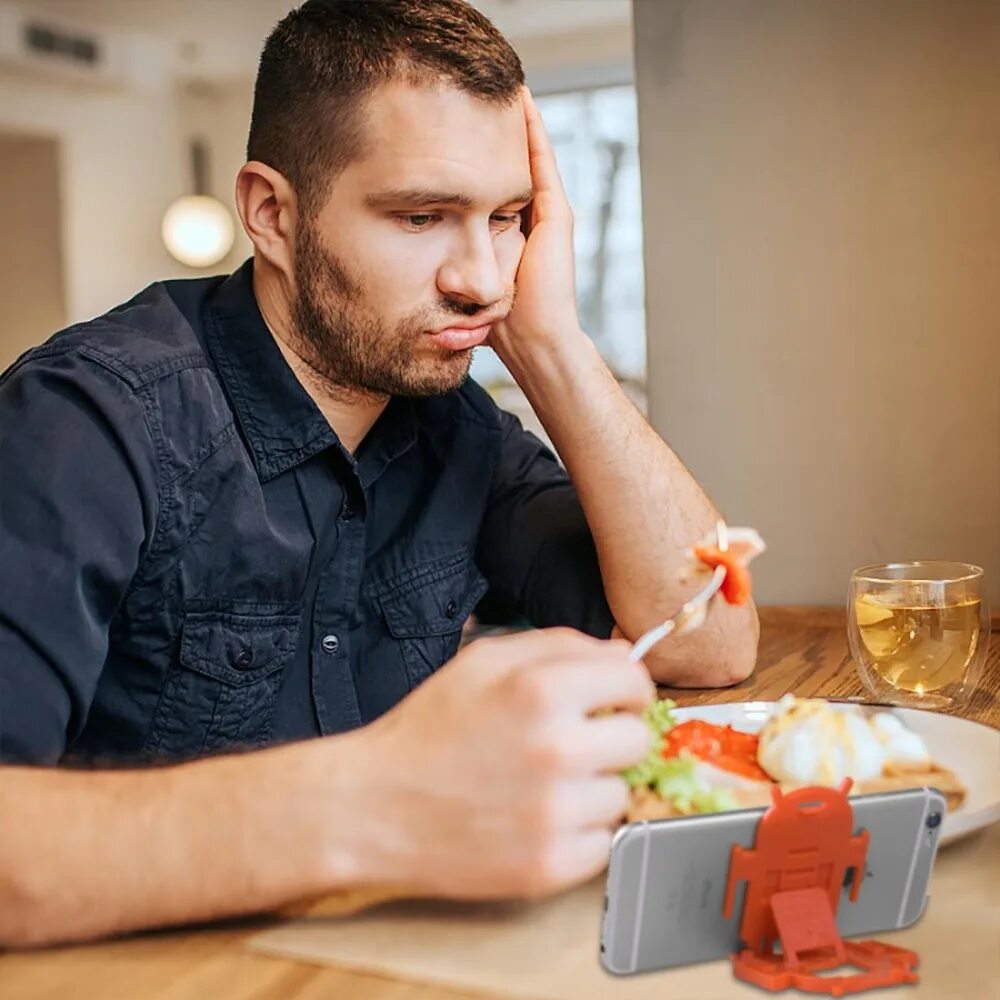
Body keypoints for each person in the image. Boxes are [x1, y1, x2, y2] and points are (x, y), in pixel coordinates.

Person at [0, 0, 757, 946]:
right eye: (422, 216)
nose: (483, 279)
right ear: (273, 215)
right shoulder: (86, 422)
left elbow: (710, 640)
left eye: (510, 218)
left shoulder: (454, 424)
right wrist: (376, 805)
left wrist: (553, 345)